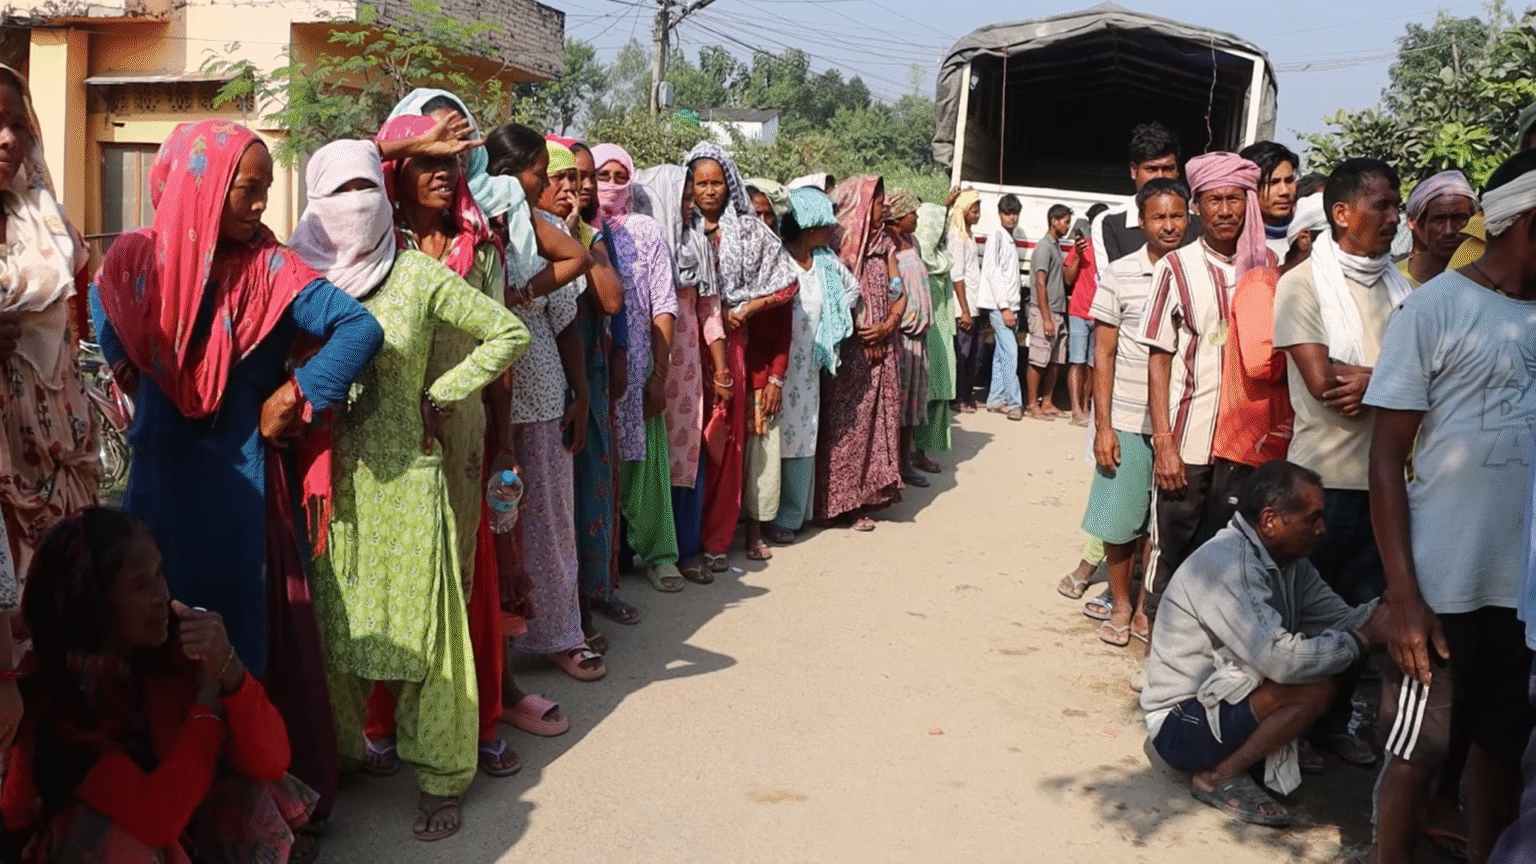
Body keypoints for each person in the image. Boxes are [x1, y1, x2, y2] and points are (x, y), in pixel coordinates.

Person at [90, 120, 389, 831]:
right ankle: (171, 802)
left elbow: (359, 329)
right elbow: (102, 299)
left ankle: (246, 811)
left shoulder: (272, 271)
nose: (259, 205)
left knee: (235, 647)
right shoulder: (137, 261)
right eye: (245, 191)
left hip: (239, 495)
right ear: (202, 189)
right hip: (159, 487)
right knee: (149, 634)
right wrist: (132, 370)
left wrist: (299, 392)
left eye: (263, 191)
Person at [290, 140, 528, 840]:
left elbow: (506, 332)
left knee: (427, 635)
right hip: (328, 487)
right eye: (341, 192)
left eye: (367, 189)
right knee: (336, 631)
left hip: (408, 481)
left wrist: (442, 391)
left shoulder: (418, 276)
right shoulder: (295, 275)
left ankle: (442, 775)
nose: (356, 207)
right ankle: (340, 758)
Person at [1362, 150, 1536, 864]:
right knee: (1417, 753)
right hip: (1441, 585)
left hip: (1522, 597)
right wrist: (1403, 595)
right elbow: (1384, 459)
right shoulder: (1434, 309)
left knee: (1501, 751)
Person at [3, 508, 315, 862]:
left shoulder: (169, 653)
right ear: (92, 604)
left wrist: (232, 674)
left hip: (168, 818)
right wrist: (205, 712)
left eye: (160, 574)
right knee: (113, 839)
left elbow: (273, 764)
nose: (163, 594)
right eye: (142, 584)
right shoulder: (59, 705)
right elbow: (156, 820)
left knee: (245, 789)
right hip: (75, 844)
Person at [1142, 461, 1389, 828]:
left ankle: (1249, 751)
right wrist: (1364, 638)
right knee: (1315, 686)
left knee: (1330, 657)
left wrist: (1393, 605)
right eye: (1313, 518)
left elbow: (1342, 617)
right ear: (1270, 520)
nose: (1323, 529)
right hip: (1180, 725)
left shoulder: (1291, 563)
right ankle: (1217, 776)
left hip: (1217, 706)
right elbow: (1281, 661)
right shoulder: (1228, 564)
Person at [1273, 159, 1410, 767]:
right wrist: (1401, 389)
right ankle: (1289, 726)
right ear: (1342, 214)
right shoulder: (1302, 285)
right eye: (1381, 206)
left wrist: (1379, 381)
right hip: (1322, 485)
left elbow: (1423, 386)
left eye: (1395, 204)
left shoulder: (1404, 290)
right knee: (1306, 614)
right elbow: (1328, 386)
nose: (1393, 217)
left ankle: (1329, 724)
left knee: (1363, 613)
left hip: (1388, 484)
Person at [489, 131, 602, 689]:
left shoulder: (543, 234)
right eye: (540, 174)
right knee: (498, 528)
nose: (548, 186)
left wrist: (580, 395)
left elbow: (565, 324)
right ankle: (500, 649)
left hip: (539, 395)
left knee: (550, 523)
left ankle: (561, 634)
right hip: (486, 400)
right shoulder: (475, 227)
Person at [1135, 151, 1267, 627]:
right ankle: (1152, 632)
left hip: (1245, 443)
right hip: (1188, 435)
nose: (1226, 210)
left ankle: (1197, 641)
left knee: (1225, 548)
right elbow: (1159, 357)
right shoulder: (1176, 267)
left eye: (1235, 199)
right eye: (1215, 200)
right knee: (1171, 541)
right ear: (1198, 206)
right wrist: (1163, 441)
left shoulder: (1265, 266)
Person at [1076, 178, 1190, 645]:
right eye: (1159, 217)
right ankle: (1120, 603)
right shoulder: (1120, 274)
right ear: (1142, 222)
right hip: (1126, 418)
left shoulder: (1194, 273)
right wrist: (1103, 427)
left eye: (1177, 216)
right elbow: (1103, 353)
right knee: (1121, 521)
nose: (1169, 225)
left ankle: (1147, 608)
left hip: (1180, 423)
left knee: (1162, 525)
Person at [0, 64, 98, 584]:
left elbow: (75, 336)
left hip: (57, 470)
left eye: (19, 126)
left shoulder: (51, 232)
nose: (8, 140)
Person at [682, 143, 797, 571]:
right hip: (683, 343)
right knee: (688, 438)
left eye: (716, 183)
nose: (709, 191)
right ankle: (682, 539)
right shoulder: (680, 226)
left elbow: (787, 285)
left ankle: (716, 538)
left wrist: (747, 308)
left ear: (729, 186)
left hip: (728, 345)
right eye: (700, 182)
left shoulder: (749, 232)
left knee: (726, 442)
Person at [592, 144, 688, 587]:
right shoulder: (576, 228)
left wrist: (659, 373)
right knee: (596, 466)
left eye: (618, 175)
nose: (610, 185)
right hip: (591, 366)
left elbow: (663, 304)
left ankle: (658, 552)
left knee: (644, 464)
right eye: (601, 175)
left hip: (637, 366)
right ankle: (603, 560)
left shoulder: (646, 231)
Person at [634, 164, 724, 584]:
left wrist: (720, 368)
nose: (691, 205)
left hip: (685, 364)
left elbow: (710, 310)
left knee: (684, 456)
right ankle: (636, 548)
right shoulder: (636, 241)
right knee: (643, 454)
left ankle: (683, 548)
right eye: (685, 198)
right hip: (646, 353)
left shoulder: (696, 244)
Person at [565, 140, 634, 643]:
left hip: (590, 365)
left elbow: (615, 301)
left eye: (589, 177)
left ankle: (593, 595)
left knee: (593, 486)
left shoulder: (595, 235)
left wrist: (621, 353)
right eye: (574, 176)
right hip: (546, 378)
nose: (584, 186)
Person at [767, 188, 859, 546]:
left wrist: (833, 323)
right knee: (772, 437)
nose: (831, 231)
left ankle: (790, 515)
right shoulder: (779, 260)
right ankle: (763, 514)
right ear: (808, 226)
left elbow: (851, 291)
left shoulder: (826, 263)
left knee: (803, 436)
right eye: (825, 226)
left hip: (809, 369)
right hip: (777, 364)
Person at [817, 176, 905, 532]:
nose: (884, 210)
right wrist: (863, 333)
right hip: (848, 352)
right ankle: (833, 502)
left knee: (871, 428)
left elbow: (899, 291)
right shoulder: (837, 249)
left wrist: (889, 324)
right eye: (879, 203)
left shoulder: (885, 246)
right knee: (844, 428)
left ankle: (861, 501)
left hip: (880, 348)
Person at [1089, 122, 1186, 271]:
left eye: (1168, 169)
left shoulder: (1197, 224)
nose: (1160, 177)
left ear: (1178, 171)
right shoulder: (1109, 223)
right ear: (1134, 170)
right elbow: (1112, 281)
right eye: (1151, 169)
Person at [885, 188, 933, 489]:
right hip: (900, 337)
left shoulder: (912, 242)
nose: (916, 218)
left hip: (919, 339)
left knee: (912, 406)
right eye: (912, 213)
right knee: (895, 405)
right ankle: (891, 467)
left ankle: (905, 464)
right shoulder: (887, 247)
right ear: (899, 217)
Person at [913, 201, 958, 465]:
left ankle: (924, 450)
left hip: (942, 333)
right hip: (924, 332)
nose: (943, 233)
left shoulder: (942, 258)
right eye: (939, 227)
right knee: (920, 392)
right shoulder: (917, 262)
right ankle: (911, 453)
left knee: (939, 391)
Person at [1027, 203, 1079, 420]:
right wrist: (1046, 318)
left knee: (1056, 360)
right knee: (1038, 360)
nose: (1067, 226)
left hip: (1058, 311)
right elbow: (1040, 283)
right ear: (1054, 221)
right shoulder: (1044, 248)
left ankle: (1047, 402)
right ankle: (1032, 404)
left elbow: (1065, 278)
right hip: (1044, 312)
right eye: (1065, 221)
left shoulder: (1055, 246)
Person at [979, 194, 1024, 419]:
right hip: (1000, 306)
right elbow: (993, 273)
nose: (1011, 218)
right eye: (1007, 213)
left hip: (1009, 305)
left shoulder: (1008, 238)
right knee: (1010, 354)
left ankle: (996, 399)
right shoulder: (997, 236)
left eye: (1015, 213)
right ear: (1000, 214)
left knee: (1001, 354)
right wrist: (1004, 307)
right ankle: (1015, 403)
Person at [1064, 203, 1110, 426]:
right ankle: (1076, 410)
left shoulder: (1110, 247)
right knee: (1077, 362)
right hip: (1080, 313)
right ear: (1091, 223)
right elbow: (1068, 279)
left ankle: (1086, 407)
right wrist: (1076, 256)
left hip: (1100, 313)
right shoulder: (1082, 247)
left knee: (1094, 365)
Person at [1400, 170, 1477, 287]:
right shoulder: (1394, 280)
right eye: (1438, 219)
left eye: (1459, 218)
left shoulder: (1492, 279)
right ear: (1420, 226)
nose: (1449, 231)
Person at [948, 188, 984, 413]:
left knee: (976, 355)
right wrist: (964, 310)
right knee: (962, 354)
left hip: (974, 305)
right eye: (973, 209)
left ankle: (968, 394)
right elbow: (957, 275)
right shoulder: (956, 236)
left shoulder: (968, 235)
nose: (977, 214)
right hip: (965, 306)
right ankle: (958, 397)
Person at [1238, 141, 1300, 263]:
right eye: (1272, 183)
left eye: (1289, 180)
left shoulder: (1306, 240)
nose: (1284, 191)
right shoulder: (1230, 243)